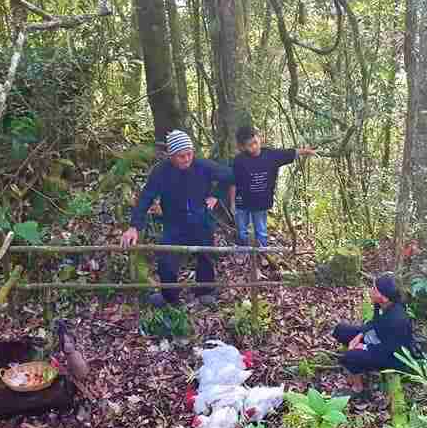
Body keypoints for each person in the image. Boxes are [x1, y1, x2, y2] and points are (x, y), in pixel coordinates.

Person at [120, 130, 234, 307]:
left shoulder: (203, 166)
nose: (187, 159)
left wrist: (216, 195)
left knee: (205, 256)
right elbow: (145, 198)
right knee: (166, 260)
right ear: (171, 156)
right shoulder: (161, 172)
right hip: (174, 223)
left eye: (189, 154)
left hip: (201, 219)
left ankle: (205, 291)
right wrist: (134, 226)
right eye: (181, 156)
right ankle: (169, 297)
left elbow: (229, 176)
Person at [232, 126, 315, 254]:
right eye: (250, 145)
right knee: (242, 230)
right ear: (243, 147)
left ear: (259, 138)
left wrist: (306, 151)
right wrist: (233, 203)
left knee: (261, 230)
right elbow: (233, 181)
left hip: (261, 203)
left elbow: (289, 153)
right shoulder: (239, 160)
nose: (254, 147)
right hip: (242, 202)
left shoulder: (271, 155)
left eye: (255, 142)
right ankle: (243, 254)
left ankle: (263, 254)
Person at [332, 273, 414, 399]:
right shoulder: (381, 305)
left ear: (384, 297)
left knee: (349, 357)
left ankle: (358, 389)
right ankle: (358, 364)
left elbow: (390, 350)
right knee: (340, 330)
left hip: (392, 357)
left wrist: (362, 348)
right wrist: (359, 336)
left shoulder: (397, 320)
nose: (371, 291)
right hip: (377, 337)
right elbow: (373, 323)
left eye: (374, 289)